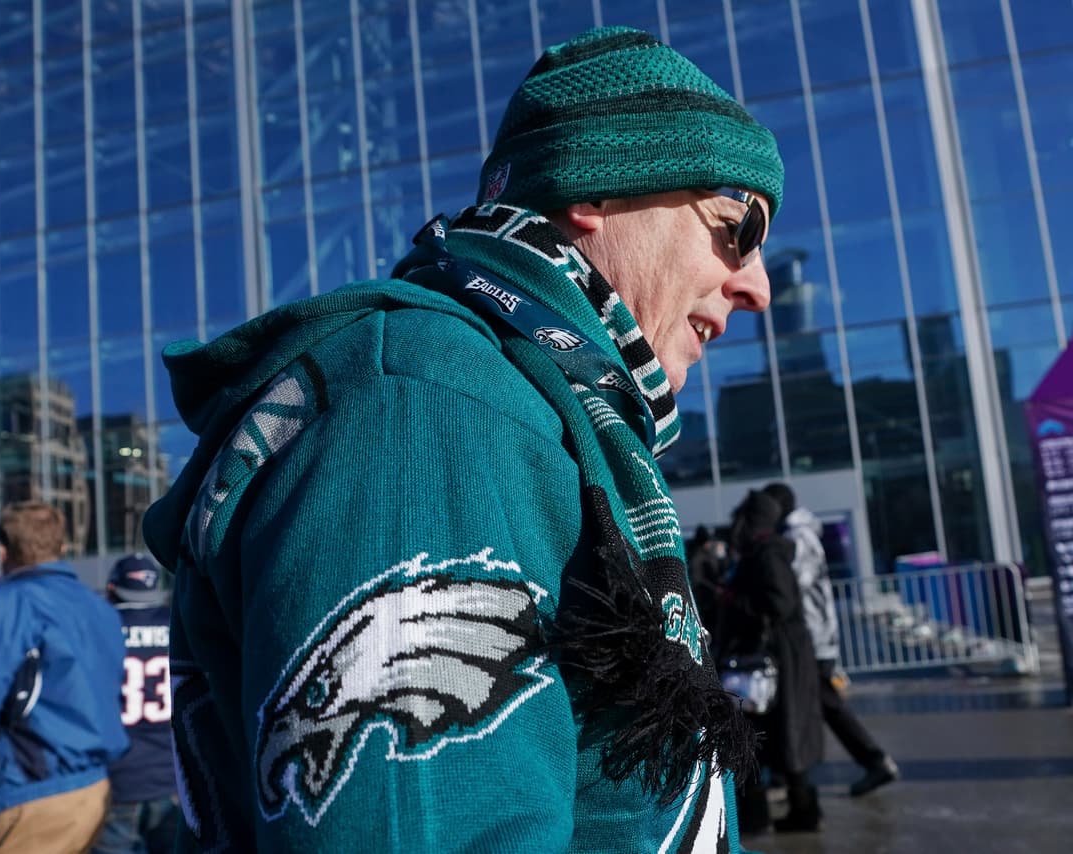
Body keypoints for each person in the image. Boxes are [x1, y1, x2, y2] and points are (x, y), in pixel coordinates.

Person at [144, 26, 783, 852]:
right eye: (741, 225)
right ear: (598, 189)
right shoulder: (425, 401)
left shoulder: (520, 406)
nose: (756, 284)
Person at [0, 501, 130, 853]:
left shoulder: (1, 608)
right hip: (93, 785)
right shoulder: (97, 608)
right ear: (62, 547)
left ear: (2, 551)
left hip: (30, 788)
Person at [762, 481, 899, 797]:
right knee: (819, 703)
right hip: (810, 637)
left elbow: (793, 583)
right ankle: (792, 772)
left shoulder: (799, 538)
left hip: (812, 638)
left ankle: (871, 761)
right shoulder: (796, 535)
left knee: (819, 703)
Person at [719, 490, 824, 833]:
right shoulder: (768, 551)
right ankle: (792, 811)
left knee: (769, 734)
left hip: (777, 659)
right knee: (776, 735)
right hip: (781, 658)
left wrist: (737, 601)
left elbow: (779, 603)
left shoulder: (767, 554)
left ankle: (774, 814)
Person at [93, 554, 179, 854]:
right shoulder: (176, 626)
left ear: (112, 588)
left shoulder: (99, 630)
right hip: (171, 778)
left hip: (117, 780)